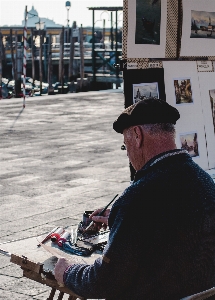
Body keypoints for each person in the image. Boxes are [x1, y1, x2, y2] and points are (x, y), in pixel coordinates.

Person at [54, 98, 215, 299]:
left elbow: (103, 282)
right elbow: (173, 222)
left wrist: (67, 272)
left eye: (125, 145)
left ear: (137, 136)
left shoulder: (137, 198)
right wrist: (118, 218)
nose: (128, 154)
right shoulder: (203, 181)